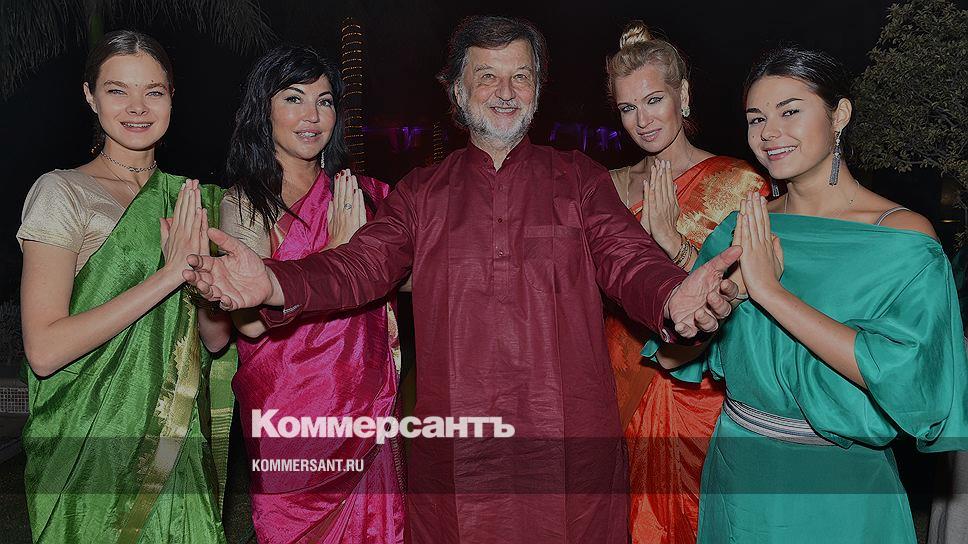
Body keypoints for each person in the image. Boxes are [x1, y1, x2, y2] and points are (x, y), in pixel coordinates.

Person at [185, 16, 742, 544]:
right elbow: (360, 265)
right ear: (456, 90)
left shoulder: (579, 180)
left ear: (537, 89)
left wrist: (673, 293)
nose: (506, 91)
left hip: (567, 450)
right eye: (488, 76)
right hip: (459, 456)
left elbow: (628, 258)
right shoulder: (421, 193)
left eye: (520, 76)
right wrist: (273, 283)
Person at [647, 46, 968, 543]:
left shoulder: (901, 239)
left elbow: (913, 382)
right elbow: (672, 358)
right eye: (756, 119)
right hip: (738, 473)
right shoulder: (740, 226)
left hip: (840, 487)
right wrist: (717, 304)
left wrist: (769, 293)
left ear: (839, 115)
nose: (768, 132)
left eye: (789, 111)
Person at [17, 31, 230, 543]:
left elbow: (215, 341)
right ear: (90, 96)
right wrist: (169, 275)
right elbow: (44, 351)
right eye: (117, 90)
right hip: (90, 449)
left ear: (172, 97)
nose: (137, 107)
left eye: (153, 91)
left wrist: (202, 282)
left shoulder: (190, 200)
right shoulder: (63, 192)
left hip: (175, 440)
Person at [219, 45, 404, 544]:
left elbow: (415, 273)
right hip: (287, 414)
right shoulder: (245, 204)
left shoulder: (367, 197)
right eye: (294, 98)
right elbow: (249, 323)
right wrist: (338, 253)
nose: (312, 116)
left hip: (364, 406)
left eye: (324, 101)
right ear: (263, 110)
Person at [603, 21, 769, 544]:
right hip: (617, 380)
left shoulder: (739, 183)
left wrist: (672, 241)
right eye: (628, 108)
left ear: (685, 95)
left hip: (698, 390)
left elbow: (753, 298)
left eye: (654, 100)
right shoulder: (606, 188)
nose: (642, 120)